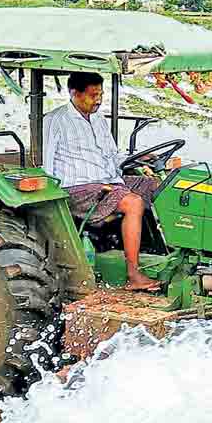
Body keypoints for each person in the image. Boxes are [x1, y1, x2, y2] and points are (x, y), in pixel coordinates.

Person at [43, 71, 167, 292]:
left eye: (100, 94)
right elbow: (46, 163)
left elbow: (112, 156)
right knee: (133, 202)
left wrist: (140, 158)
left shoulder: (99, 120)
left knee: (160, 186)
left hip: (109, 180)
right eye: (92, 95)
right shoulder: (55, 120)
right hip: (77, 189)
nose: (98, 100)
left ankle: (166, 253)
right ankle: (133, 274)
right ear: (74, 93)